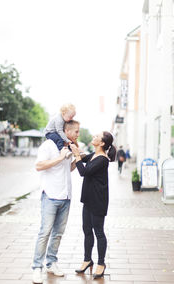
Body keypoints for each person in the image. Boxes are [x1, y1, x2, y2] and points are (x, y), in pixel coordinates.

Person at [32, 120, 80, 284]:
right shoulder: (48, 146)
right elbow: (39, 166)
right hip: (51, 195)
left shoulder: (67, 146)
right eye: (76, 132)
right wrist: (60, 158)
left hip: (66, 197)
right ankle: (37, 268)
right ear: (66, 130)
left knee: (58, 234)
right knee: (45, 232)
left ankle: (51, 263)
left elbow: (68, 169)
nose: (78, 135)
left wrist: (77, 158)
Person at [70, 131, 116, 279]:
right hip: (88, 199)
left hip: (98, 201)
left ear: (102, 143)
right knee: (87, 230)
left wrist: (77, 155)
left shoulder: (103, 159)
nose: (94, 137)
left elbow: (84, 171)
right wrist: (76, 150)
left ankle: (101, 263)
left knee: (99, 232)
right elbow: (84, 159)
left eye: (97, 136)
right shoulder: (94, 155)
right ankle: (87, 260)